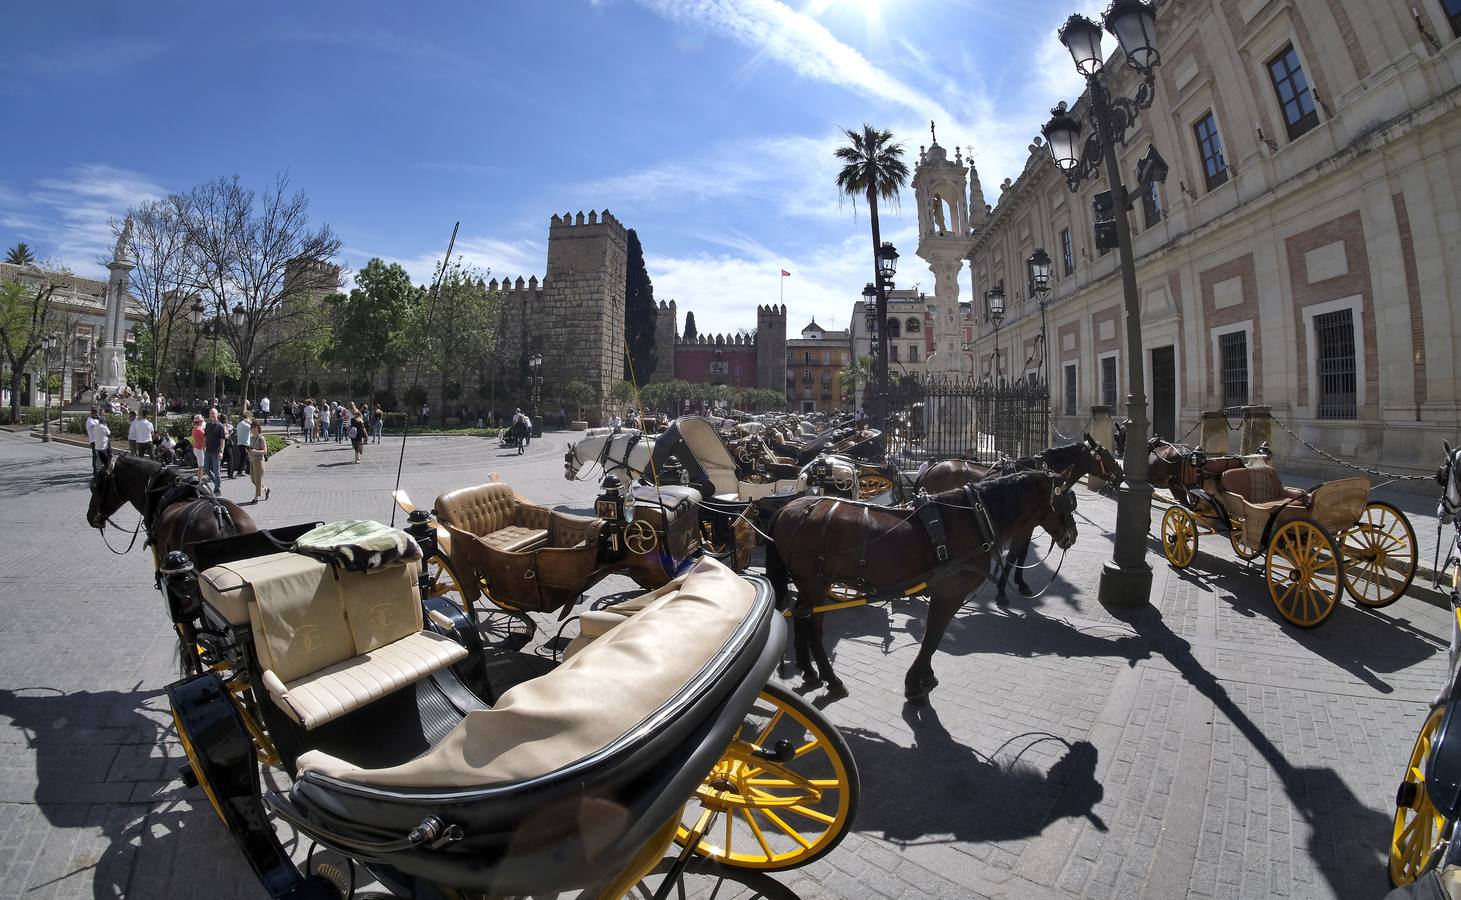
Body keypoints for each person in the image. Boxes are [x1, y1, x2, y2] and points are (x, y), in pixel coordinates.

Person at [202, 409, 226, 493]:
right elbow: (205, 437)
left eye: (213, 413)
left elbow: (222, 440)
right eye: (210, 413)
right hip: (207, 451)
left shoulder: (220, 426)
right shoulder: (208, 425)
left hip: (216, 452)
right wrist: (203, 446)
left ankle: (217, 489)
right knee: (206, 469)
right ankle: (217, 482)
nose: (212, 415)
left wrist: (221, 451)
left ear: (217, 415)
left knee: (216, 471)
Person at [247, 424, 270, 502]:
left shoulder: (261, 438)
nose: (252, 429)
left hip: (259, 461)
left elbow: (265, 451)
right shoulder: (251, 437)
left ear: (257, 428)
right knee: (253, 479)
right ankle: (266, 490)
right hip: (252, 460)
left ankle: (256, 497)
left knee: (258, 479)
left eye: (254, 427)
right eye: (251, 427)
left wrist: (255, 451)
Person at [85, 408, 101, 473]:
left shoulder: (96, 420)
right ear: (92, 413)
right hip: (93, 441)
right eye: (95, 414)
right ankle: (95, 471)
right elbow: (97, 427)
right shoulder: (89, 420)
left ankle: (98, 469)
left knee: (99, 456)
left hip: (98, 440)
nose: (97, 415)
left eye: (97, 413)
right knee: (95, 456)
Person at [191, 413, 206, 478]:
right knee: (200, 467)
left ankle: (200, 479)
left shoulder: (195, 428)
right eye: (202, 421)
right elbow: (205, 437)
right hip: (200, 449)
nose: (202, 422)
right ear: (199, 422)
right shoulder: (199, 429)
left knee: (201, 466)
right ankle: (200, 480)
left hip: (196, 448)